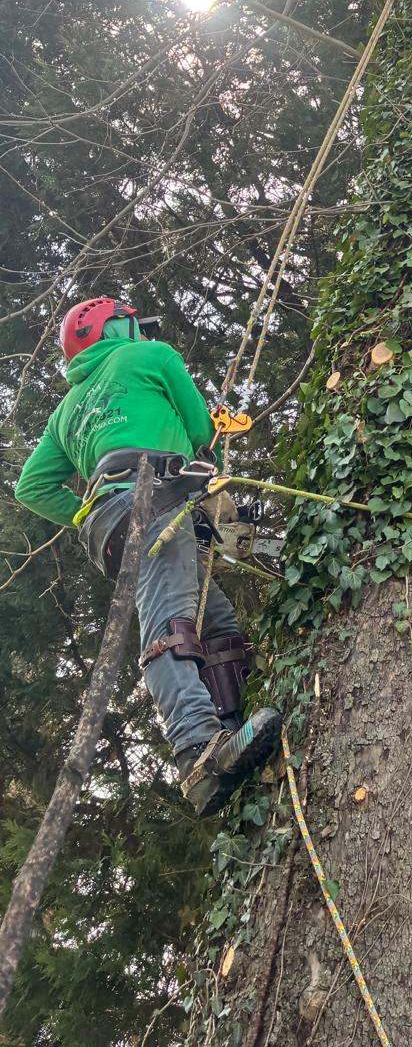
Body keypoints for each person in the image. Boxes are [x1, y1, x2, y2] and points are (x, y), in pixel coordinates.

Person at [13, 297, 281, 816]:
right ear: (117, 326)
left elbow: (31, 487)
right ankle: (197, 751)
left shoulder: (66, 412)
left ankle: (231, 730)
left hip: (111, 524)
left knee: (215, 622)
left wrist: (83, 514)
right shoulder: (151, 355)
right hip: (152, 496)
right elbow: (201, 432)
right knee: (171, 623)